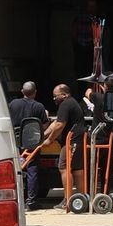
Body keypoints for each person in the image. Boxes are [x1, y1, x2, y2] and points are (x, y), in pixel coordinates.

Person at [42, 82, 88, 211]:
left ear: (64, 94)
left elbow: (59, 125)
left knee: (64, 166)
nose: (54, 98)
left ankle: (67, 200)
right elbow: (55, 123)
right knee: (77, 169)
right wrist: (42, 135)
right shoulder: (71, 103)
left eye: (56, 96)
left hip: (72, 140)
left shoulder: (65, 104)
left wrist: (50, 140)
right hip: (78, 140)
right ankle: (82, 198)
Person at [7, 82, 49, 209]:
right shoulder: (39, 106)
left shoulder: (12, 104)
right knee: (32, 171)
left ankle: (13, 199)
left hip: (14, 141)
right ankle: (31, 201)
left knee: (13, 170)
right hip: (31, 142)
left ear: (22, 91)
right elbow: (45, 125)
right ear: (35, 92)